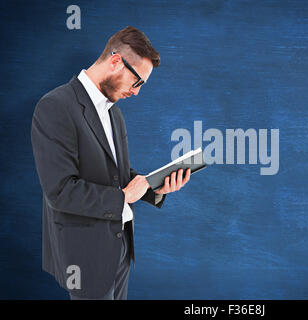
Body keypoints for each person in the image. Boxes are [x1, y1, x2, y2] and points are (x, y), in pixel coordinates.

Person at [30, 26, 190, 300]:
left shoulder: (114, 114)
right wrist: (123, 198)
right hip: (85, 257)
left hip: (121, 249)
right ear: (116, 60)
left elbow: (116, 174)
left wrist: (155, 188)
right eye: (137, 81)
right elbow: (60, 191)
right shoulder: (55, 106)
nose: (137, 92)